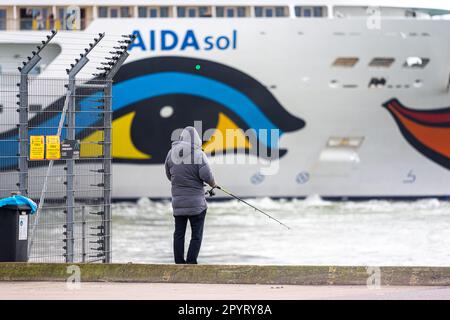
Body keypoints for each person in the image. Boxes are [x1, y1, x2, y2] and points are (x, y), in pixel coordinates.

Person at [164, 126, 216, 264]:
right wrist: (213, 184)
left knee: (179, 234)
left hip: (178, 202)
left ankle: (179, 263)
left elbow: (169, 175)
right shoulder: (199, 154)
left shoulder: (171, 154)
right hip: (196, 204)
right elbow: (206, 175)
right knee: (196, 235)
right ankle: (191, 263)